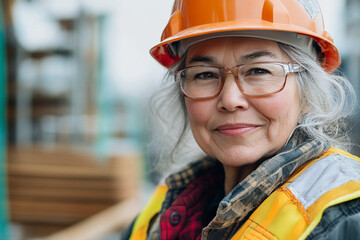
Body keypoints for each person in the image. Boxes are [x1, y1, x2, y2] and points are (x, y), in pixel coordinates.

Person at [123, 0, 360, 239]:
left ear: (307, 91)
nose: (229, 99)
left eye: (258, 71)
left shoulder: (347, 217)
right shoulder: (162, 211)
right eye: (205, 75)